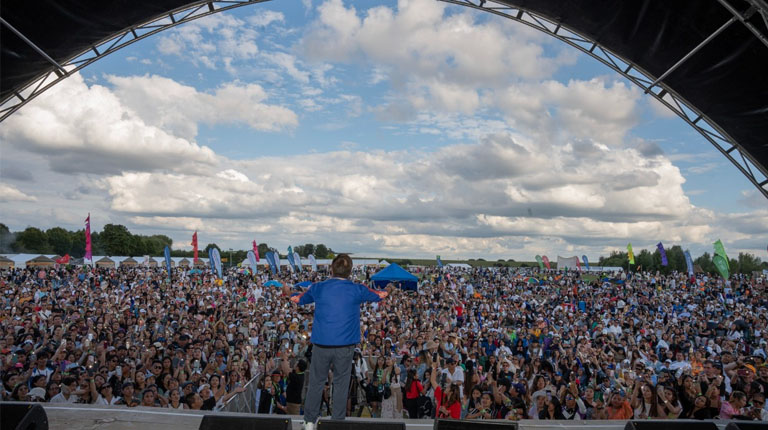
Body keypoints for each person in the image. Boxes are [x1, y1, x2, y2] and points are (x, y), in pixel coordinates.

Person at [284, 254, 389, 430]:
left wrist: (288, 294)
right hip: (345, 347)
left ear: (331, 269)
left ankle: (309, 422)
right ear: (350, 271)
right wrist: (390, 289)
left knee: (317, 382)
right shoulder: (357, 289)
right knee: (340, 383)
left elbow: (299, 299)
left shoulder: (319, 287)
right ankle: (337, 423)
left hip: (321, 345)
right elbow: (380, 295)